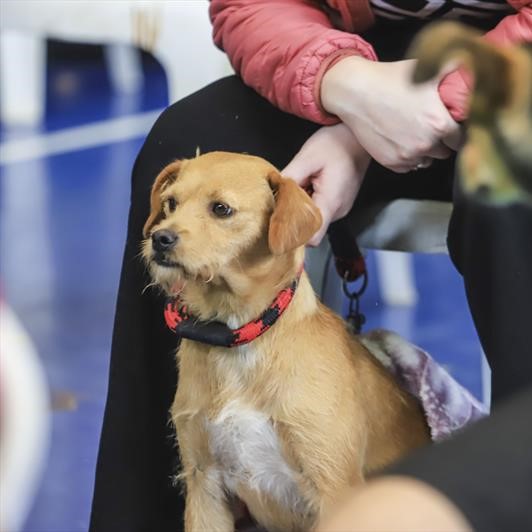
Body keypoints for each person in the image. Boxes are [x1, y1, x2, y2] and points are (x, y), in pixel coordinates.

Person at [90, 1, 532, 531]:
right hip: (358, 63)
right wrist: (344, 85)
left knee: (515, 192)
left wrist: (367, 130)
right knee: (185, 134)